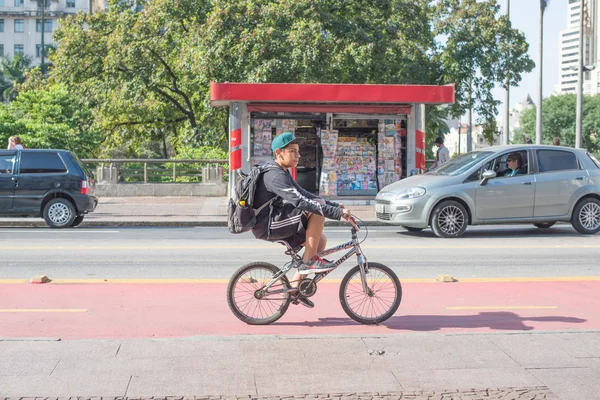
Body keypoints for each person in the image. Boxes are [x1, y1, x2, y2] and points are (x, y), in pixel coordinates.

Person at [251, 132, 351, 308]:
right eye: (293, 151)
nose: (298, 155)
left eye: (298, 151)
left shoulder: (282, 172)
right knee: (317, 211)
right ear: (278, 153)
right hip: (267, 225)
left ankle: (296, 287)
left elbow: (305, 194)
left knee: (320, 239)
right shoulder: (275, 175)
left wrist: (335, 206)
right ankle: (308, 262)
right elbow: (300, 201)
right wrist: (334, 213)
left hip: (276, 219)